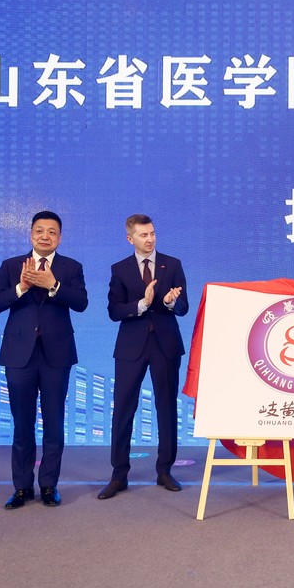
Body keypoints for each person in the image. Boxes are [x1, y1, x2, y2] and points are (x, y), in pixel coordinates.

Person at [0, 210, 88, 509]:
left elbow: (81, 303)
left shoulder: (71, 267)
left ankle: (48, 486)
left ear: (60, 237)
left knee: (54, 423)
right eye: (40, 231)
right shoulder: (11, 265)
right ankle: (21, 488)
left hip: (57, 355)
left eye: (52, 232)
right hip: (20, 356)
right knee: (22, 423)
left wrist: (53, 285)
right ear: (31, 234)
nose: (45, 236)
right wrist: (22, 287)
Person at [98, 214, 189, 499]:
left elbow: (184, 307)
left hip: (165, 345)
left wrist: (170, 302)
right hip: (131, 346)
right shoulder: (120, 269)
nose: (150, 239)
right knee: (123, 409)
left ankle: (165, 470)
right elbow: (114, 311)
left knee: (166, 407)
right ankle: (119, 474)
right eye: (143, 235)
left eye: (152, 233)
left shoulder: (172, 264)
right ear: (130, 239)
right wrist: (142, 303)